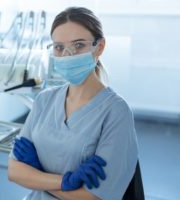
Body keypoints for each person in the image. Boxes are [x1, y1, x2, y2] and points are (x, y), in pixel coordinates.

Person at [8, 7, 138, 200]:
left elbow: (94, 197)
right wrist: (66, 181)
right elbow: (14, 172)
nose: (67, 55)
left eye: (78, 45)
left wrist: (37, 173)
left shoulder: (116, 112)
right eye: (59, 47)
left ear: (99, 47)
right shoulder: (44, 100)